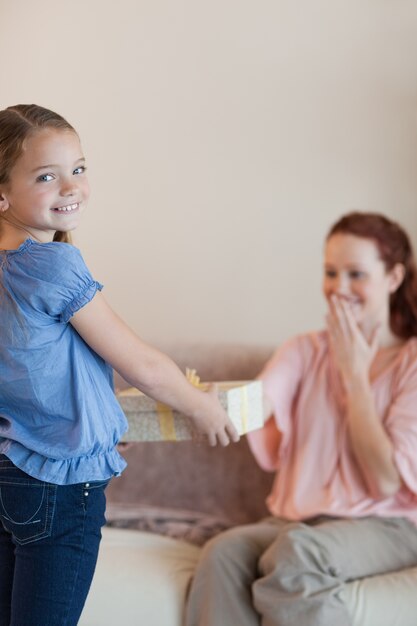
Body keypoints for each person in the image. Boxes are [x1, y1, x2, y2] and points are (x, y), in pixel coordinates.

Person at [0, 103, 239, 626]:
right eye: (47, 176)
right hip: (60, 491)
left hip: (9, 476)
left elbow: (32, 379)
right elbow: (142, 365)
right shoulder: (52, 265)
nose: (71, 187)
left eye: (79, 169)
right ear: (2, 193)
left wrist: (97, 418)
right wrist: (202, 406)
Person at [186, 211, 417, 626]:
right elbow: (256, 404)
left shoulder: (412, 362)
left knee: (298, 552)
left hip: (389, 525)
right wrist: (212, 402)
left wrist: (353, 375)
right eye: (331, 272)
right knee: (223, 552)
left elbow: (385, 480)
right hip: (296, 521)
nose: (339, 288)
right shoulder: (303, 350)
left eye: (356, 274)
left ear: (394, 278)